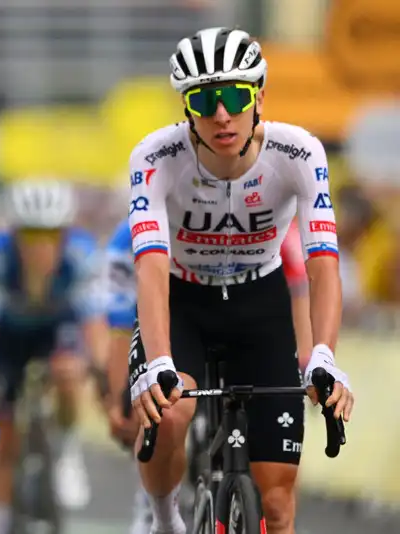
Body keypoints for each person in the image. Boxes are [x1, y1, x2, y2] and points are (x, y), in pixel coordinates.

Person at [125, 27, 353, 534]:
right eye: (205, 100)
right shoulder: (155, 157)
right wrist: (158, 359)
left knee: (276, 503)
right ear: (187, 108)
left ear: (259, 98)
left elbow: (321, 261)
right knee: (172, 410)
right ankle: (166, 521)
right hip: (182, 299)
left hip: (259, 301)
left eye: (235, 97)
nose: (222, 114)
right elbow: (152, 263)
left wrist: (324, 353)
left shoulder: (299, 154)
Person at [102, 217, 311, 533]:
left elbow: (299, 295)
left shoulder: (276, 220)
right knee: (163, 414)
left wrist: (306, 364)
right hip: (169, 317)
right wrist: (121, 394)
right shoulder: (129, 235)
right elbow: (120, 325)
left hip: (249, 318)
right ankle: (153, 504)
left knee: (277, 467)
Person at [0, 180, 107, 531]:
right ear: (15, 236)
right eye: (31, 236)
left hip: (55, 331)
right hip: (9, 338)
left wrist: (99, 370)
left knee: (69, 372)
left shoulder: (81, 255)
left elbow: (93, 321)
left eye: (50, 236)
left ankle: (66, 450)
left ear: (64, 236)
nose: (40, 247)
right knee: (3, 437)